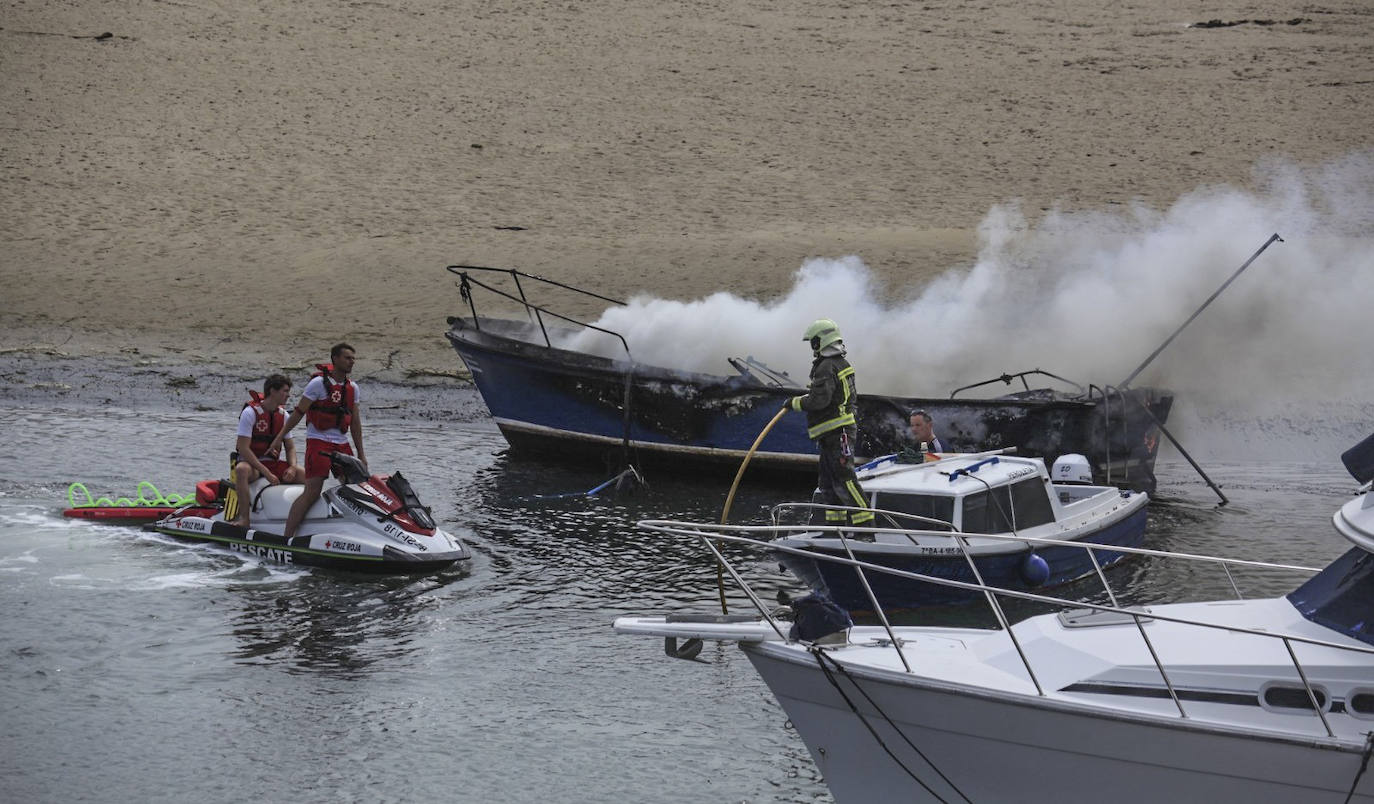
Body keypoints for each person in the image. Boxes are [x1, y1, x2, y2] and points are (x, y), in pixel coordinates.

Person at [266, 342, 366, 539]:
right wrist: (279, 438)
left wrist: (361, 454)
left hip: (341, 442)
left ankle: (355, 531)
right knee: (312, 491)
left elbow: (355, 423)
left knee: (355, 487)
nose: (351, 362)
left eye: (353, 358)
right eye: (347, 358)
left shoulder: (353, 388)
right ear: (335, 359)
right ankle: (287, 537)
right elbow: (298, 413)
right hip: (318, 441)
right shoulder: (318, 384)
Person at [786, 319, 874, 529]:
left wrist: (794, 403)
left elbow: (819, 401)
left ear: (821, 341)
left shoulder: (826, 366)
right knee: (828, 484)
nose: (812, 347)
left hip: (838, 433)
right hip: (831, 434)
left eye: (813, 341)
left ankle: (865, 525)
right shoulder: (838, 363)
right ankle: (835, 528)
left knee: (845, 479)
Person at [230, 374, 304, 527]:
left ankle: (303, 518)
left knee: (308, 476)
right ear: (273, 391)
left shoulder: (284, 416)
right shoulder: (250, 413)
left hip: (273, 464)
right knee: (241, 470)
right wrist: (266, 472)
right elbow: (243, 448)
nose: (288, 395)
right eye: (284, 391)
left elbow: (290, 447)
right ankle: (244, 519)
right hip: (253, 465)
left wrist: (292, 467)